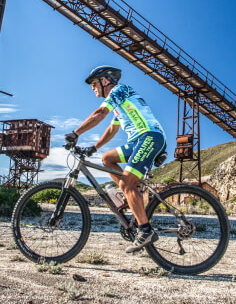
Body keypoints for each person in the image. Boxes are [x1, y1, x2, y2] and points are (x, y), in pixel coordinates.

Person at [65, 65, 166, 253]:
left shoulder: (119, 91)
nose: (92, 88)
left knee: (127, 183)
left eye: (94, 84)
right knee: (107, 159)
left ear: (105, 81)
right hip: (138, 141)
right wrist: (94, 147)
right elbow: (112, 129)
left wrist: (76, 133)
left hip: (150, 137)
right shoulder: (121, 105)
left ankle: (145, 231)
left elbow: (100, 114)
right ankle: (131, 196)